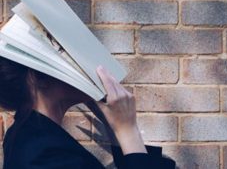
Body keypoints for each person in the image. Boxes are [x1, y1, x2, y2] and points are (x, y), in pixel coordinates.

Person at [0, 56, 176, 169]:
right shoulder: (42, 153)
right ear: (36, 77)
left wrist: (114, 127)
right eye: (66, 59)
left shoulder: (31, 135)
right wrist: (128, 131)